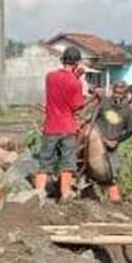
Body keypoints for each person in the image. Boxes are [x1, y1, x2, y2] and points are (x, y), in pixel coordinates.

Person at [36, 46, 87, 201]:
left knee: (45, 161)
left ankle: (38, 194)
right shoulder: (76, 83)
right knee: (68, 162)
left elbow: (61, 86)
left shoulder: (50, 77)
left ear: (62, 60)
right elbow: (77, 107)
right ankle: (65, 194)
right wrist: (77, 79)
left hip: (51, 126)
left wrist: (75, 76)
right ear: (77, 63)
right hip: (68, 128)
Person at [84, 80, 132, 202]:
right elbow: (92, 120)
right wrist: (97, 136)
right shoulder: (104, 103)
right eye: (115, 92)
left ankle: (114, 199)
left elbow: (130, 131)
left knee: (112, 172)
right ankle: (87, 191)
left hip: (112, 145)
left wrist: (116, 141)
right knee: (88, 167)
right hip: (96, 142)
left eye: (120, 93)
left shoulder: (128, 111)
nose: (117, 95)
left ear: (125, 94)